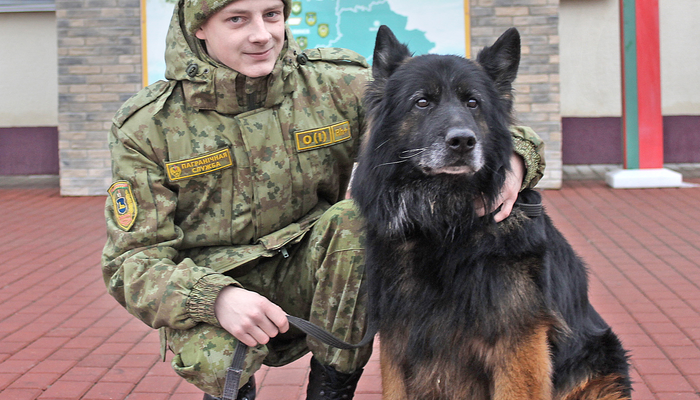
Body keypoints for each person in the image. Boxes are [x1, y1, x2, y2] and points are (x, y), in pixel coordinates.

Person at [101, 0, 547, 399]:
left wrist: (517, 160)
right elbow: (130, 262)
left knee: (356, 219)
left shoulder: (333, 85)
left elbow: (477, 112)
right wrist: (212, 297)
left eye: (271, 15)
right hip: (212, 286)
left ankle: (331, 392)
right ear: (199, 25)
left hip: (314, 268)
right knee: (220, 359)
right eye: (237, 19)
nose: (261, 34)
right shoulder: (147, 127)